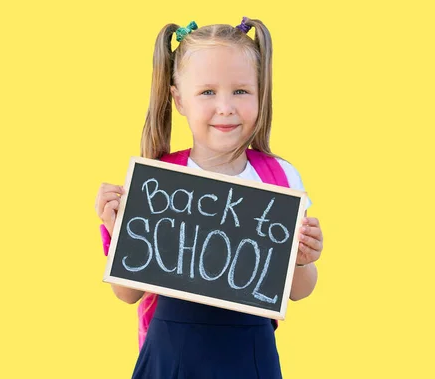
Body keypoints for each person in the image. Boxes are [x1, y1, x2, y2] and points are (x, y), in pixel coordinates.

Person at [94, 17, 324, 379]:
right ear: (178, 99)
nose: (225, 106)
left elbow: (299, 292)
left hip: (250, 356)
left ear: (261, 93)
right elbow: (127, 294)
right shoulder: (157, 181)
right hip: (171, 355)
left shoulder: (279, 179)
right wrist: (119, 228)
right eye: (207, 92)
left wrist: (302, 259)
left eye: (241, 91)